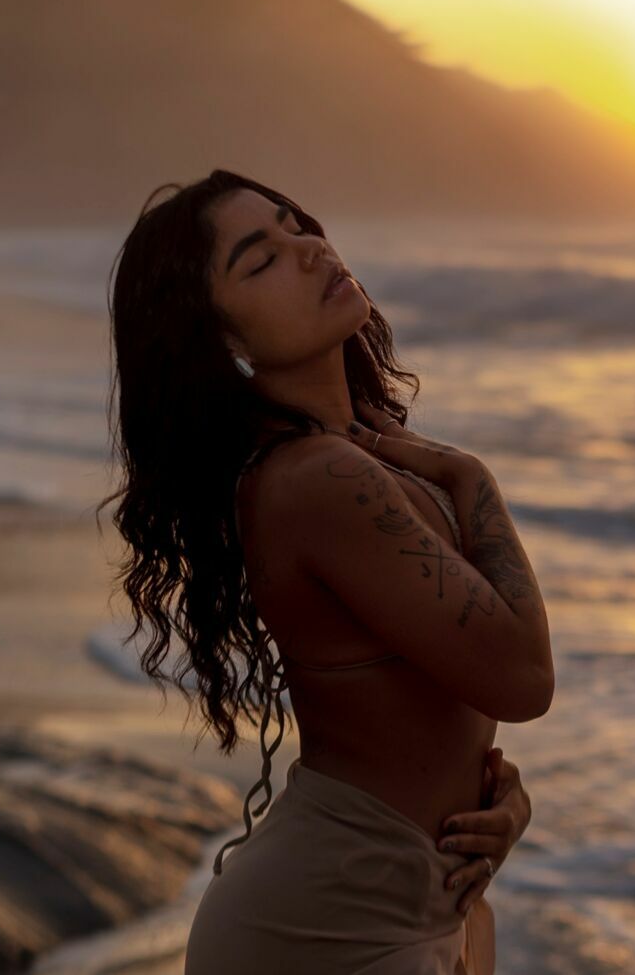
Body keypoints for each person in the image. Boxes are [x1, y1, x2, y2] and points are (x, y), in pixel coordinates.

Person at [103, 170, 555, 973]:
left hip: (411, 896)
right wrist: (474, 479)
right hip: (326, 927)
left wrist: (495, 800)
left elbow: (433, 705)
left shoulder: (349, 461)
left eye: (296, 226)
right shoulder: (317, 480)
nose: (310, 248)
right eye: (261, 258)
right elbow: (523, 676)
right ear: (222, 341)